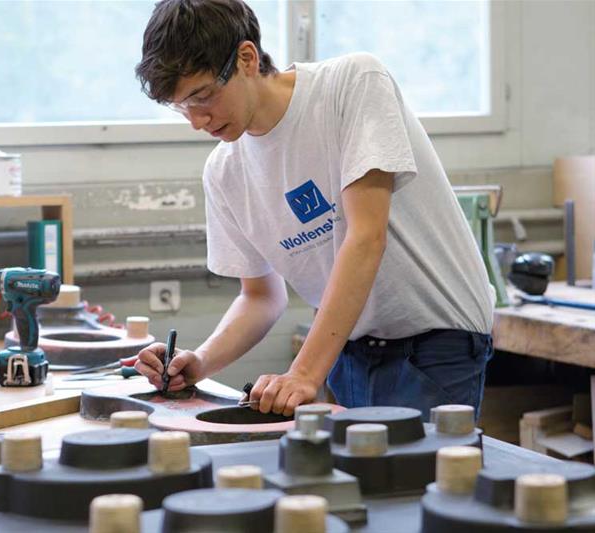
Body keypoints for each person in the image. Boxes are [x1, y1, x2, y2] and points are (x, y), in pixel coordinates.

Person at [132, 0, 494, 420]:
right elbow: (260, 298)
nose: (197, 120)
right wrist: (200, 362)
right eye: (182, 107)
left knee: (412, 482)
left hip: (436, 343)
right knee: (349, 483)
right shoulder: (224, 171)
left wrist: (303, 372)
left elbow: (366, 236)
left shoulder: (352, 84)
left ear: (247, 58)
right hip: (348, 348)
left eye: (203, 96)